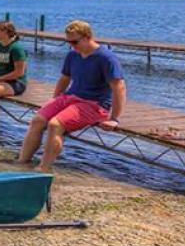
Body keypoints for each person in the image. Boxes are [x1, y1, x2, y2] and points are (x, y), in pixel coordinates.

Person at [17, 20, 126, 172]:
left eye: (75, 42)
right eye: (68, 42)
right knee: (37, 120)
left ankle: (43, 168)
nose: (72, 46)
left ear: (88, 37)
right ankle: (22, 163)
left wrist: (114, 119)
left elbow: (119, 88)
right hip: (71, 97)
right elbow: (64, 79)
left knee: (55, 125)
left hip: (94, 104)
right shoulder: (73, 55)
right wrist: (55, 99)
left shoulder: (106, 58)